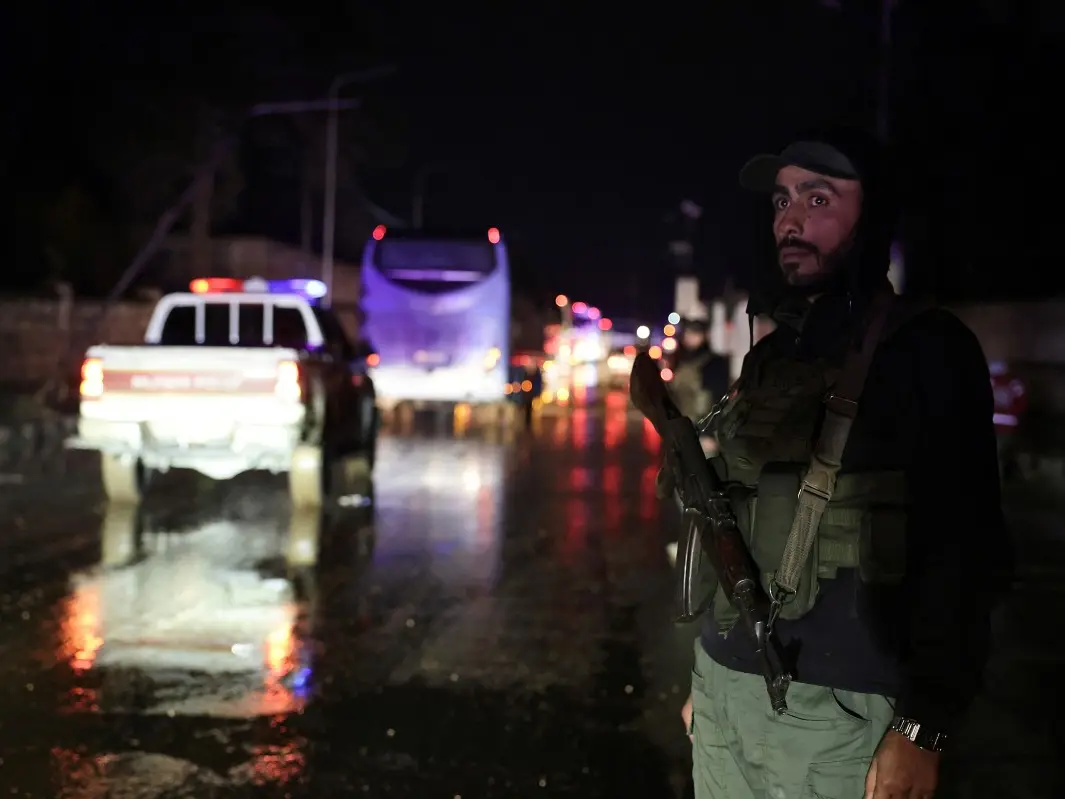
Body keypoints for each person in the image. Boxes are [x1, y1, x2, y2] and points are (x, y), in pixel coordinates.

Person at [678, 130, 1009, 799]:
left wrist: (922, 726)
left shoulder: (927, 350)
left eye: (818, 198)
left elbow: (967, 550)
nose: (790, 219)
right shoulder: (773, 357)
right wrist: (711, 672)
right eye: (781, 201)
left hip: (840, 719)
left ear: (873, 214)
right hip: (723, 693)